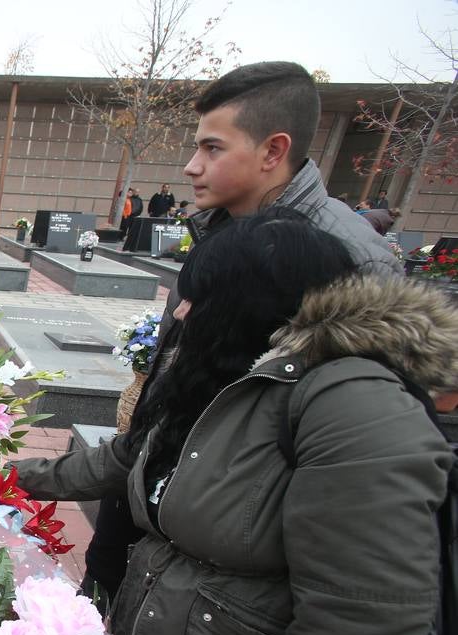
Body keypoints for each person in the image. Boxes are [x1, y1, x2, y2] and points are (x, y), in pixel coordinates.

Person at [15, 211, 457, 635]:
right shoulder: (232, 376)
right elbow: (131, 459)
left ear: (252, 301)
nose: (182, 309)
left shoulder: (349, 400)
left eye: (199, 294)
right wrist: (9, 476)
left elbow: (369, 595)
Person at [82, 61, 402, 603]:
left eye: (212, 148)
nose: (190, 166)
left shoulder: (349, 260)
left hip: (232, 547)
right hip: (160, 471)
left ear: (273, 151)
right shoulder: (218, 226)